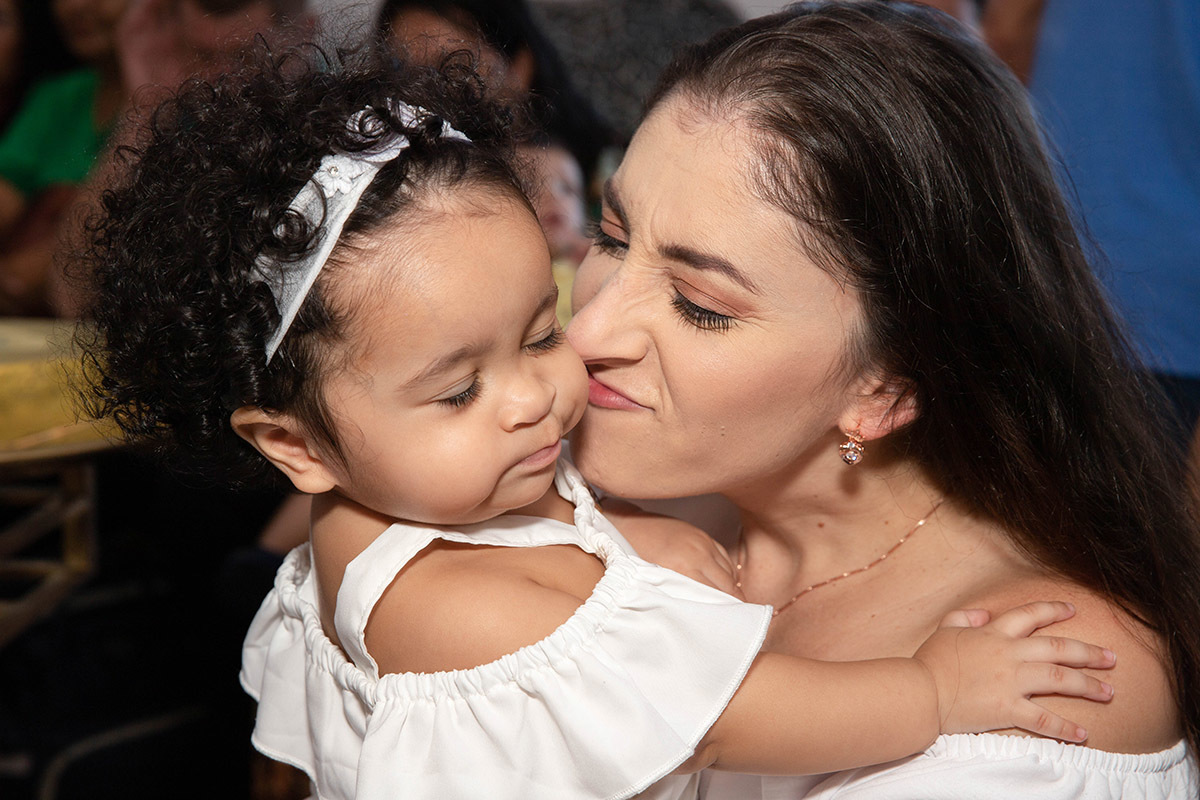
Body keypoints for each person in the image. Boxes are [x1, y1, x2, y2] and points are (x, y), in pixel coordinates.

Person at [73, 52, 1116, 799]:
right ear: (294, 447)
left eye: (538, 330)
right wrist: (933, 690)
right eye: (457, 390)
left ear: (887, 388)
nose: (550, 378)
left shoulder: (428, 482)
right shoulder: (452, 607)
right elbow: (726, 715)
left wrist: (636, 541)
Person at [564, 2, 1200, 797]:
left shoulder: (1056, 678)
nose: (586, 330)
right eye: (611, 236)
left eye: (701, 305)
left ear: (887, 387)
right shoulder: (592, 486)